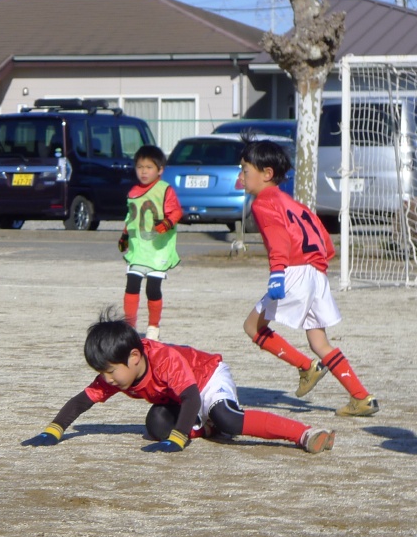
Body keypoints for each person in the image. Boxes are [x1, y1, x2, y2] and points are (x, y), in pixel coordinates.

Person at [22, 311, 335, 453]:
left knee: (227, 418)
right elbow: (82, 400)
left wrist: (179, 438)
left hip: (207, 380)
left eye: (110, 372)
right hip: (182, 398)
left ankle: (304, 433)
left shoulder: (164, 359)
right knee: (156, 424)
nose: (106, 379)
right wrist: (53, 430)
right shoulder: (117, 372)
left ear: (134, 357)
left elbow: (192, 398)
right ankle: (206, 428)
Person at [239, 138, 379, 417]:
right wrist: (319, 265)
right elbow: (324, 239)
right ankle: (361, 397)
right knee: (319, 342)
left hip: (293, 271)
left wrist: (277, 274)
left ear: (266, 174)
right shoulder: (293, 203)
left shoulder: (263, 202)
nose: (241, 176)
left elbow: (278, 240)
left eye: (245, 170)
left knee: (252, 327)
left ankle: (306, 367)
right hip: (316, 273)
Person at [117, 144, 182, 341]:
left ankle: (153, 327)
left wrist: (166, 223)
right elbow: (131, 217)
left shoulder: (164, 190)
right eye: (140, 167)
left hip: (157, 249)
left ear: (160, 169)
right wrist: (125, 236)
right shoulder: (133, 192)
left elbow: (176, 211)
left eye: (149, 167)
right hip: (139, 249)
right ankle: (129, 326)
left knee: (152, 288)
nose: (144, 172)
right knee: (131, 285)